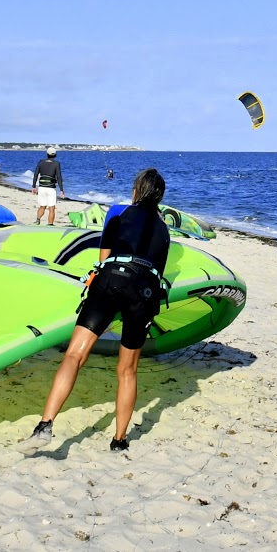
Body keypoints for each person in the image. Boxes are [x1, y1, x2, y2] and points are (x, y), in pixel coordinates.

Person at [21, 168, 172, 453]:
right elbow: (157, 273)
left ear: (137, 189)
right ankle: (119, 440)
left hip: (111, 279)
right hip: (145, 292)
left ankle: (45, 426)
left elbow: (103, 259)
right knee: (127, 370)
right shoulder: (164, 232)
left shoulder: (119, 215)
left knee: (75, 355)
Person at [33, 148, 65, 225]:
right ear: (55, 155)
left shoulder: (41, 162)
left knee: (42, 206)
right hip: (51, 188)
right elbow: (59, 177)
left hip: (42, 188)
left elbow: (36, 174)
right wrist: (61, 190)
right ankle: (50, 224)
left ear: (47, 154)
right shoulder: (56, 163)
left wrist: (33, 186)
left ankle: (37, 220)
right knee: (51, 208)